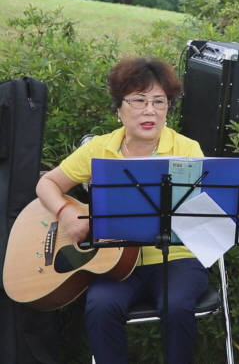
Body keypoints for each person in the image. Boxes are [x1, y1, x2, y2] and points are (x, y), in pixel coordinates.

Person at [36, 57, 208, 364]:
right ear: (119, 108)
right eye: (139, 100)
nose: (150, 110)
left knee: (177, 305)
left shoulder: (187, 149)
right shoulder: (98, 149)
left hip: (176, 259)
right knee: (100, 306)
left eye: (159, 101)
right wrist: (65, 212)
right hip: (113, 260)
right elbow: (47, 183)